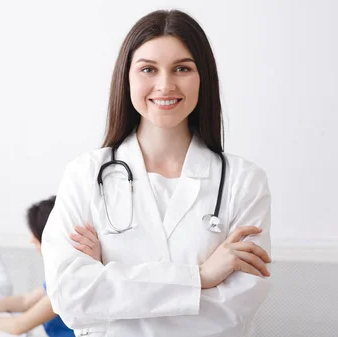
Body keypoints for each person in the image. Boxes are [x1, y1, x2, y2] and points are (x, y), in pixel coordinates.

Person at [41, 9, 272, 337]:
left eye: (182, 68)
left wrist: (110, 284)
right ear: (128, 77)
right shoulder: (85, 175)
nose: (165, 85)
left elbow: (232, 315)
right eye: (148, 69)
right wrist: (200, 278)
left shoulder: (243, 181)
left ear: (202, 76)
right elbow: (69, 296)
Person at [0, 196, 74, 337]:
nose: (31, 240)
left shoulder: (69, 281)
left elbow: (18, 326)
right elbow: (25, 301)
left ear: (49, 237)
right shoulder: (62, 273)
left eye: (34, 235)